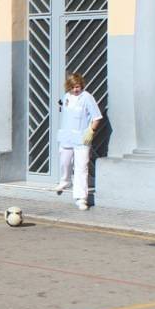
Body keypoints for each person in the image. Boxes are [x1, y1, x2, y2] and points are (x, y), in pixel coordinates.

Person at [54, 72, 103, 211]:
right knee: (64, 161)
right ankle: (65, 181)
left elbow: (97, 117)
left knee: (81, 168)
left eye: (78, 87)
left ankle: (81, 198)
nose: (76, 90)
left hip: (82, 138)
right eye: (73, 87)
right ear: (68, 87)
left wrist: (91, 131)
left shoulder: (87, 97)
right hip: (67, 136)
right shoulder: (66, 97)